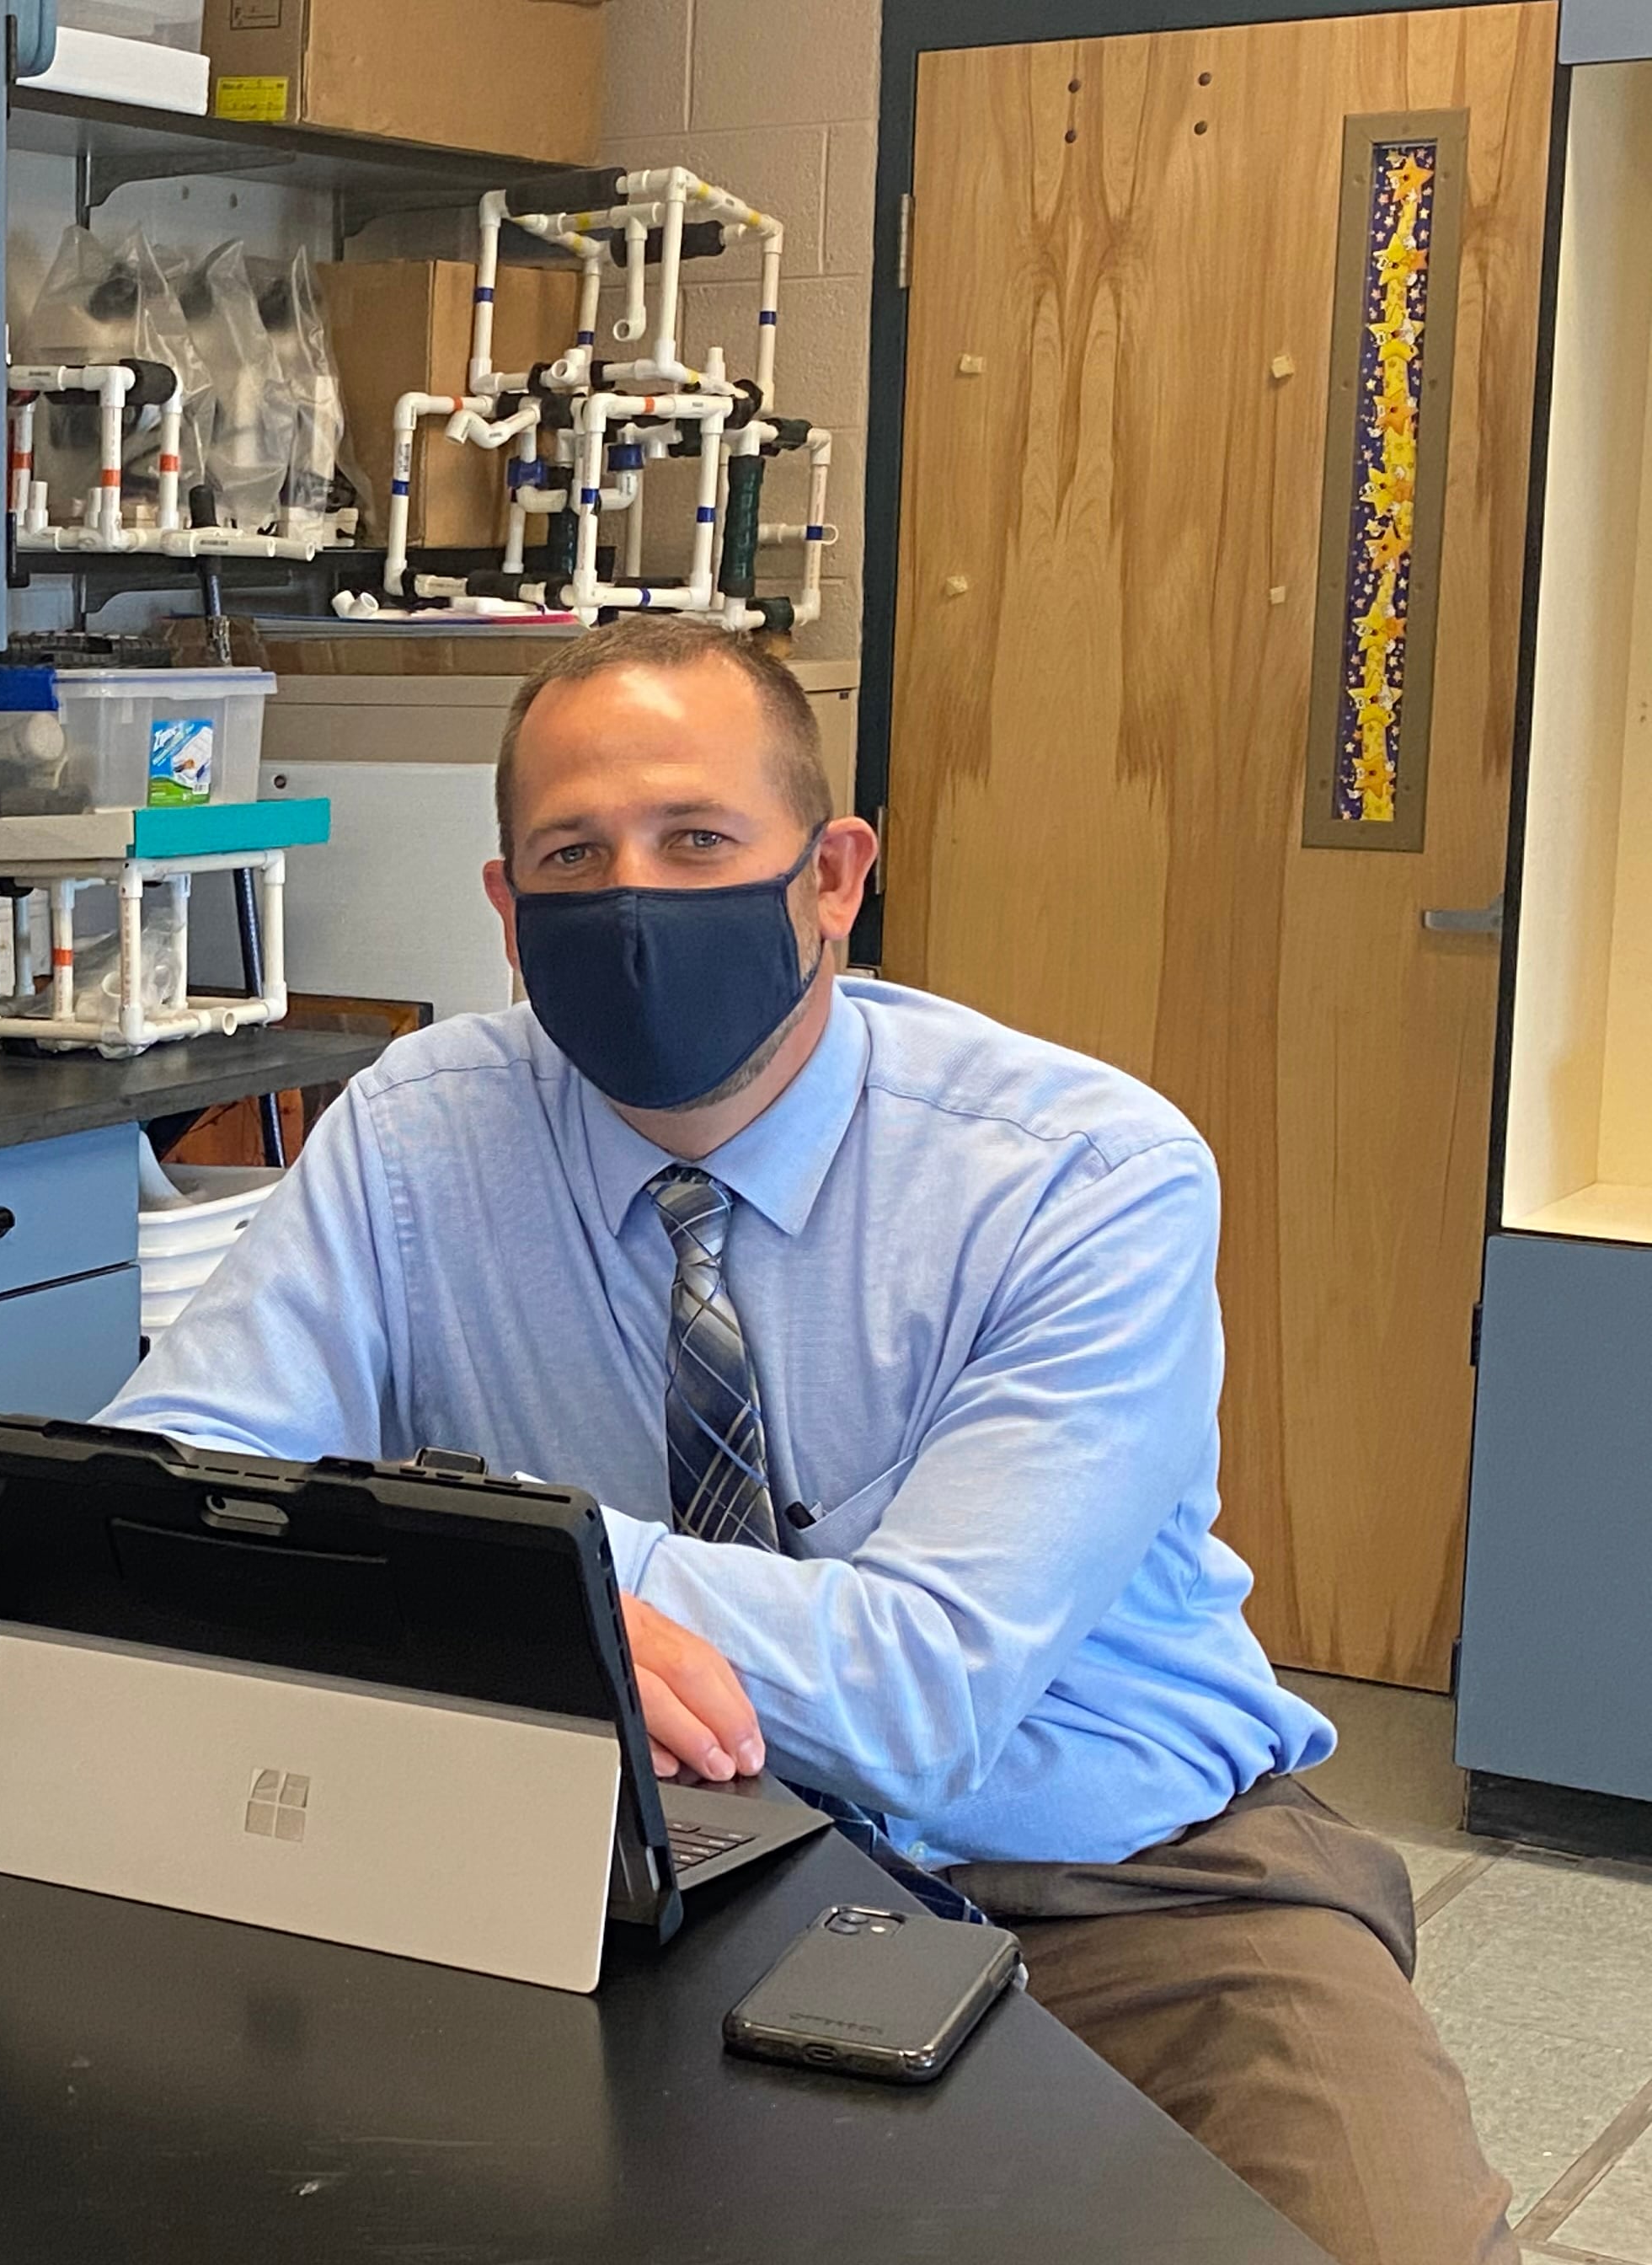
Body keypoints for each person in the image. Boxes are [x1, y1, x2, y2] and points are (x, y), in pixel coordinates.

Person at [102, 616, 1510, 2265]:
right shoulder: (418, 1133)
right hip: (631, 1866)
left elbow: (925, 1698)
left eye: (698, 841)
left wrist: (514, 1574)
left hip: (1118, 1877)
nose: (632, 899)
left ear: (833, 878)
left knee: (1373, 2242)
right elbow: (168, 1497)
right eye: (574, 854)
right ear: (506, 910)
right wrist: (505, 1595)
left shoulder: (1078, 1177)